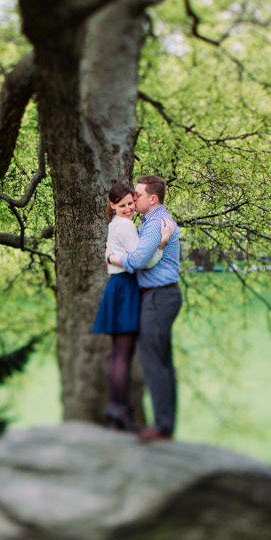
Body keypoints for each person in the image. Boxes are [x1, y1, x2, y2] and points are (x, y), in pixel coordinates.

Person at [107, 174, 180, 442]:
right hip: (157, 297)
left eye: (137, 195)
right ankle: (165, 424)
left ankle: (162, 427)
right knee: (160, 363)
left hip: (158, 298)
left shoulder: (155, 225)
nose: (133, 199)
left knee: (154, 363)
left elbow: (138, 260)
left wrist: (112, 257)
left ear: (153, 198)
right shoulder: (149, 222)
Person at [90, 182, 163, 432]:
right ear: (113, 205)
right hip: (125, 287)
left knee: (119, 353)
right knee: (122, 352)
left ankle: (117, 407)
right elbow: (141, 261)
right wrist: (161, 244)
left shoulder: (115, 224)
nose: (130, 208)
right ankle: (118, 409)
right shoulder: (125, 225)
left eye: (132, 203)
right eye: (123, 206)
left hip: (119, 286)